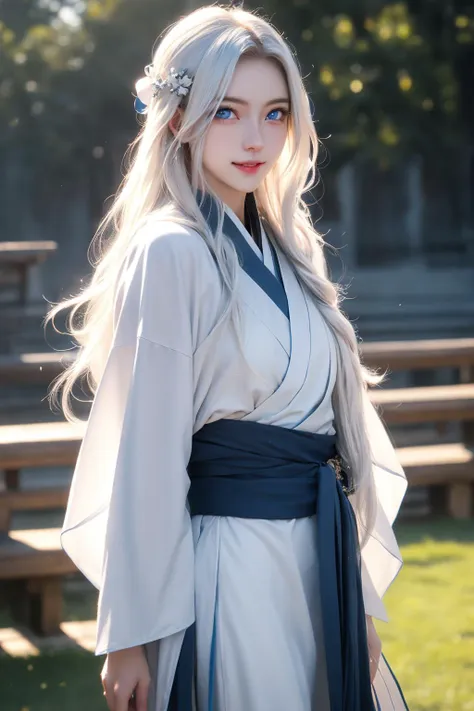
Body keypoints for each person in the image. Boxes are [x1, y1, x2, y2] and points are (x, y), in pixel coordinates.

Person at [46, 4, 410, 711]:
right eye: (227, 111)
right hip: (231, 561)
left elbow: (343, 437)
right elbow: (145, 455)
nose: (256, 137)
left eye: (275, 114)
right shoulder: (170, 250)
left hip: (319, 559)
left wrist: (359, 592)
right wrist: (129, 635)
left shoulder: (294, 253)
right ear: (179, 117)